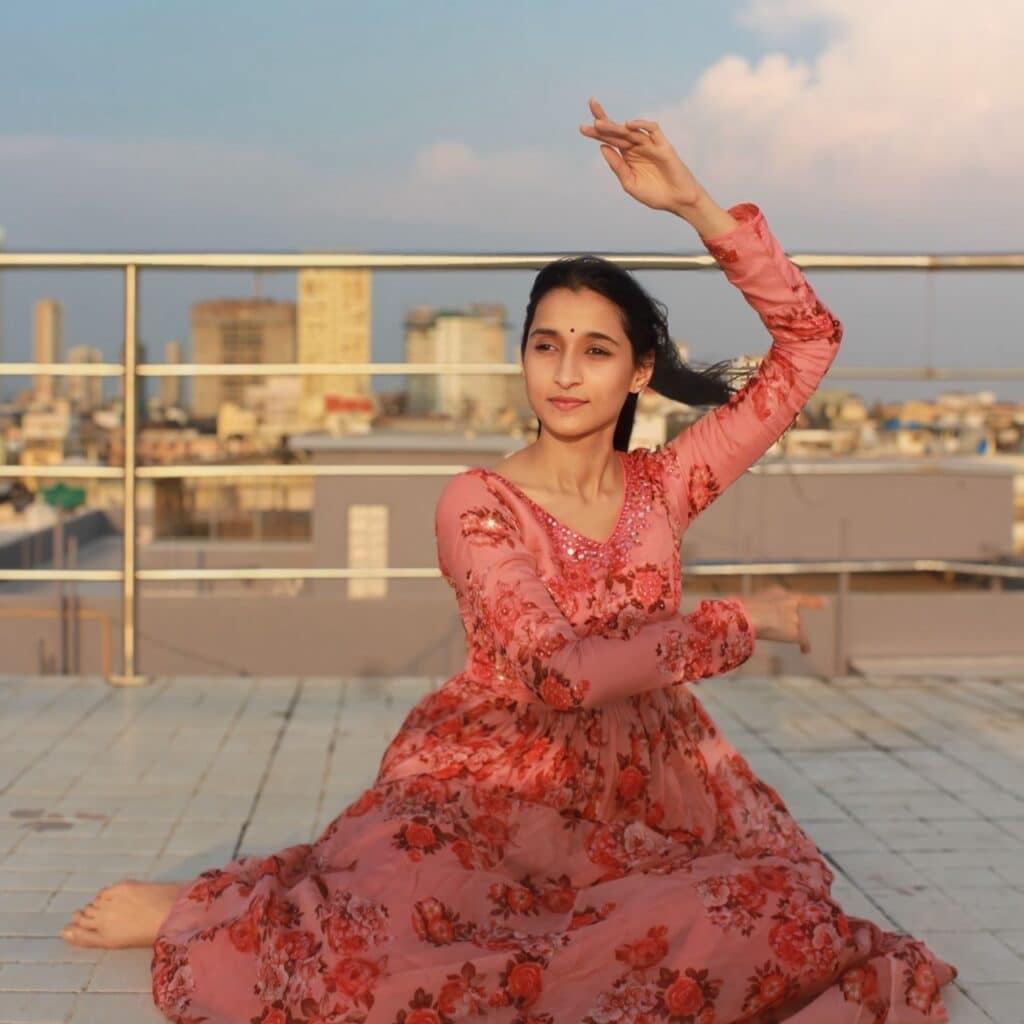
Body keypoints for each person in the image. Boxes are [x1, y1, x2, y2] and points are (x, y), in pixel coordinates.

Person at [61, 98, 958, 1023]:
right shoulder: (477, 504)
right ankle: (206, 906)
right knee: (397, 956)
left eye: (597, 350)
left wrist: (693, 203)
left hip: (650, 786)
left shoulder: (666, 482)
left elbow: (809, 342)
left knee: (776, 926)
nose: (567, 373)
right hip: (491, 780)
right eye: (546, 346)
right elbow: (560, 677)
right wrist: (741, 622)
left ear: (639, 372)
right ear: (523, 357)